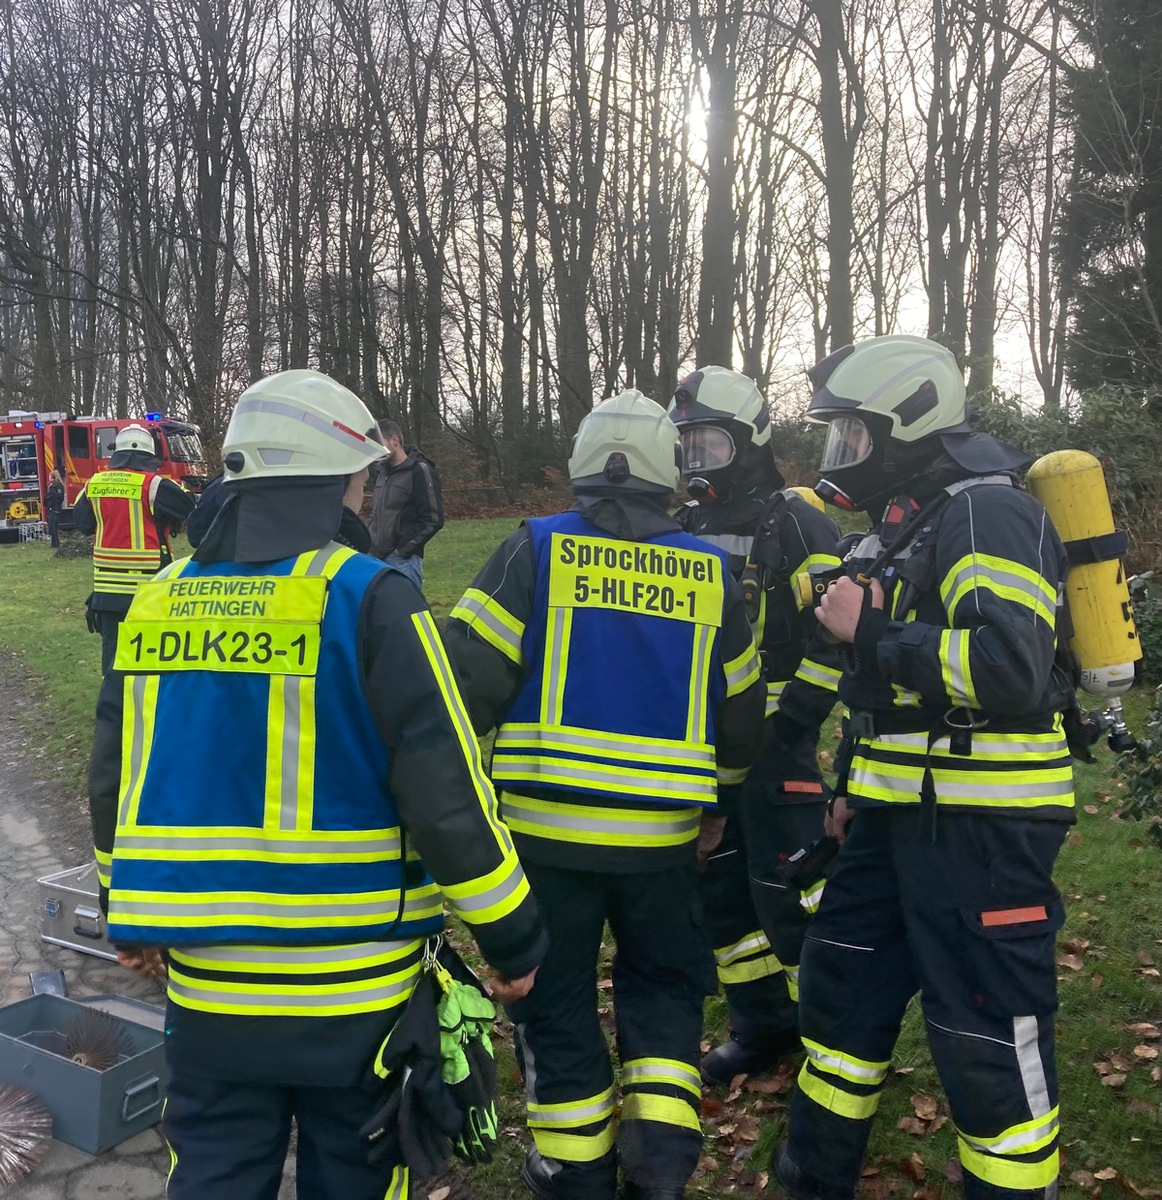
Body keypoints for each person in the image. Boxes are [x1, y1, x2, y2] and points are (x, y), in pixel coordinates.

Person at [86, 369, 546, 1200]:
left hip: (208, 985)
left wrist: (129, 911)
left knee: (215, 1176)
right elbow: (445, 791)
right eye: (364, 478)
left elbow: (116, 773)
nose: (367, 493)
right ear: (339, 477)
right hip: (357, 990)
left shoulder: (155, 601)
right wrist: (514, 941)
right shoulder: (373, 597)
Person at [445, 390, 766, 1200]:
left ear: (584, 466)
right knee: (662, 992)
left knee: (556, 1004)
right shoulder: (717, 574)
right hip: (663, 844)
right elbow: (741, 720)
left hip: (545, 840)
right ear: (671, 475)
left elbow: (464, 684)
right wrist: (716, 809)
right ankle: (659, 1169)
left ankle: (574, 1171)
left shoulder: (534, 551)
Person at [775, 336, 1074, 1199]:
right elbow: (888, 697)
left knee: (985, 1038)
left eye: (853, 437)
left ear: (908, 423)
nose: (841, 459)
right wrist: (845, 792)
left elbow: (1011, 669)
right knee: (838, 1004)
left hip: (985, 829)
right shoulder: (904, 523)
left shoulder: (988, 513)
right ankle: (811, 1178)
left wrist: (870, 631)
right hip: (892, 816)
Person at [666, 367, 844, 1085]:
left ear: (747, 442)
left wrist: (795, 718)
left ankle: (832, 1041)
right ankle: (763, 1026)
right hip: (704, 749)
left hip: (778, 753)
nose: (694, 463)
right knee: (723, 900)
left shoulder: (796, 520)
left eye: (707, 445)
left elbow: (837, 637)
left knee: (791, 894)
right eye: (685, 448)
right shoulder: (682, 528)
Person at [73, 423, 195, 674]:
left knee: (114, 659)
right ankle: (148, 709)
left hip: (106, 591)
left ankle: (111, 712)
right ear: (150, 456)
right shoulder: (153, 485)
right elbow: (187, 506)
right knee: (151, 658)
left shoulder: (93, 485)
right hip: (148, 588)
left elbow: (83, 523)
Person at [369, 419, 444, 588]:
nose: (375, 452)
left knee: (405, 613)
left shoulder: (419, 471)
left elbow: (434, 519)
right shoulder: (382, 474)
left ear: (394, 441)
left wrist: (402, 550)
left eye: (379, 445)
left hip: (403, 562)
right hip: (376, 558)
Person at [45, 469, 65, 548]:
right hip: (52, 507)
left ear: (52, 477)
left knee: (53, 526)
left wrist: (51, 496)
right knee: (52, 525)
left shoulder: (56, 486)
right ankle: (54, 543)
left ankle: (55, 543)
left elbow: (59, 497)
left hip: (55, 508)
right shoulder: (53, 486)